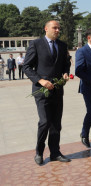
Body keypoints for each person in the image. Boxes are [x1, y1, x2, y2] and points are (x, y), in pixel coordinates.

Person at [23, 20, 71, 165]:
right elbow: (27, 67)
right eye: (54, 28)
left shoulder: (62, 45)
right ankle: (39, 152)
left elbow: (66, 64)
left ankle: (55, 152)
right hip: (41, 91)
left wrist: (65, 73)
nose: (57, 30)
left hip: (57, 90)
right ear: (46, 29)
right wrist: (41, 81)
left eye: (59, 28)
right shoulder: (36, 44)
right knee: (44, 122)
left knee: (56, 124)